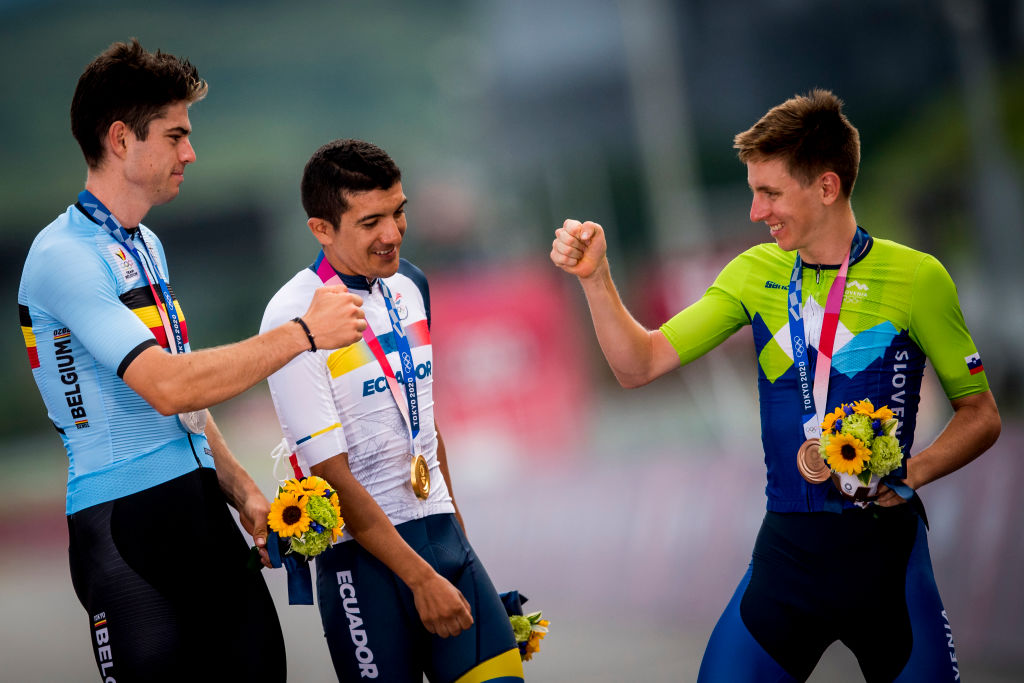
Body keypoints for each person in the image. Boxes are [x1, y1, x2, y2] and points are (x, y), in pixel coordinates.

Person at [549, 89, 1001, 682]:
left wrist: (912, 473)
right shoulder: (752, 273)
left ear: (827, 187)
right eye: (753, 192)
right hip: (787, 560)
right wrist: (597, 279)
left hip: (886, 561)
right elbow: (640, 365)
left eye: (770, 193)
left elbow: (981, 414)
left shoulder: (918, 277)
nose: (756, 212)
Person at [17, 40, 367, 682]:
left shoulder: (145, 243)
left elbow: (187, 399)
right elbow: (169, 386)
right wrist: (302, 333)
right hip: (126, 525)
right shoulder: (62, 255)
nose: (190, 153)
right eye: (175, 136)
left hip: (199, 506)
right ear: (121, 139)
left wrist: (239, 486)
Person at [260, 139, 524, 682]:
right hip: (364, 568)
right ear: (322, 229)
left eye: (399, 212)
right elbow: (329, 474)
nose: (393, 234)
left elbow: (423, 421)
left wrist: (459, 548)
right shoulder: (292, 313)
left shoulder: (411, 284)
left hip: (443, 539)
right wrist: (421, 578)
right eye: (370, 222)